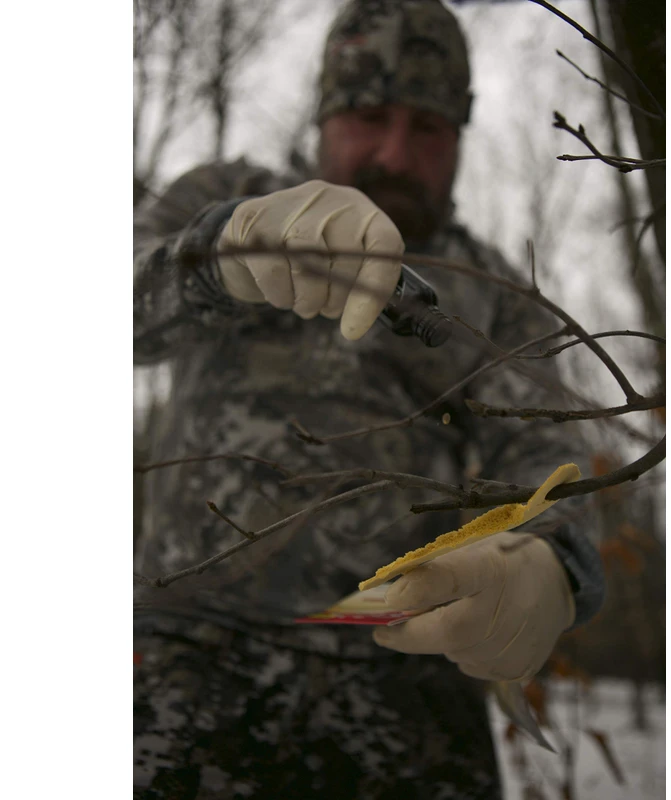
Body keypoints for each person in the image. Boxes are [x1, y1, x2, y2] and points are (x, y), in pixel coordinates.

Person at [133, 1, 605, 797]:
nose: (394, 153)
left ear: (460, 134)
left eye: (428, 127)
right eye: (368, 117)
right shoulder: (226, 197)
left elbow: (550, 462)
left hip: (404, 678)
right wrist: (213, 256)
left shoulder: (498, 298)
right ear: (323, 116)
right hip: (183, 655)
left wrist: (551, 562)